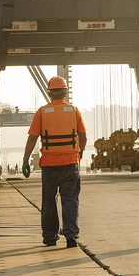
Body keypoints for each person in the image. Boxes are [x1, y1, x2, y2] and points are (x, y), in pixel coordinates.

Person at [23, 76, 87, 248]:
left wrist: (25, 159)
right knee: (70, 199)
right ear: (65, 93)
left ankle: (50, 237)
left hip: (49, 165)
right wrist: (80, 152)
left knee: (49, 200)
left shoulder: (42, 112)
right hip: (70, 163)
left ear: (49, 93)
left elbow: (32, 138)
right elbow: (83, 135)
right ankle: (71, 235)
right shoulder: (74, 111)